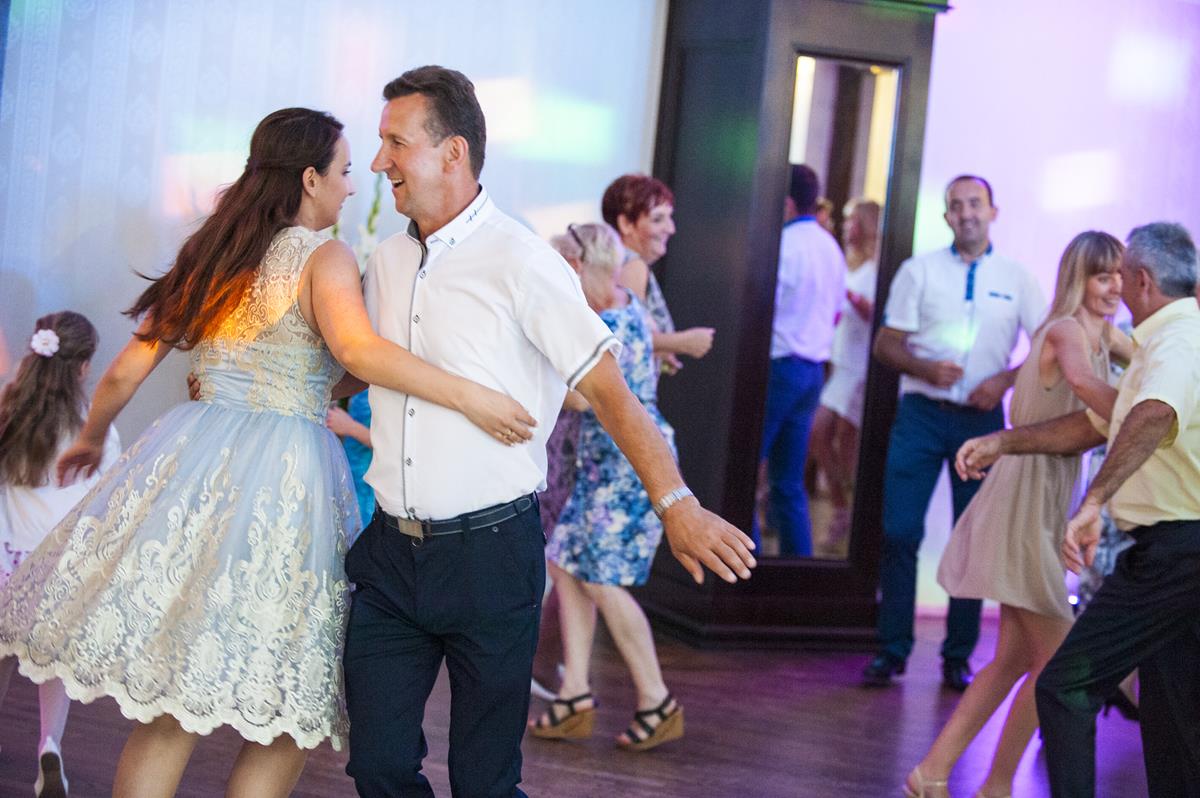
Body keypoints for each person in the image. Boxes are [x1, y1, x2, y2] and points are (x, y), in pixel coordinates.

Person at [0, 107, 536, 798]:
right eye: (345, 171)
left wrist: (92, 435)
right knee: (287, 714)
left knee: (173, 700)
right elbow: (356, 352)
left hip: (194, 464)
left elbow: (127, 372)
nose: (353, 185)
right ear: (310, 179)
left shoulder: (214, 251)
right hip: (286, 483)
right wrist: (469, 394)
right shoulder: (324, 256)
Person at [345, 66, 755, 798]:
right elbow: (367, 368)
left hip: (490, 556)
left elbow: (610, 392)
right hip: (389, 558)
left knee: (484, 782)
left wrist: (678, 505)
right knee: (377, 765)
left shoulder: (523, 260)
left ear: (453, 152)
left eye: (395, 143)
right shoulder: (387, 260)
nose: (380, 162)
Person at [956, 222, 1200, 798]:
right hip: (1174, 550)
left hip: (1176, 552)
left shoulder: (1179, 338)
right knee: (1173, 709)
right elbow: (1095, 425)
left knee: (1065, 686)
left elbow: (1153, 414)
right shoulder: (1156, 341)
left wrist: (1092, 501)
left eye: (1122, 275)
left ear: (1143, 280)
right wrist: (1003, 442)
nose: (1117, 286)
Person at [903, 231, 1132, 798]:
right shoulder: (1065, 329)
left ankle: (938, 773)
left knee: (1011, 658)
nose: (1115, 287)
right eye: (1103, 276)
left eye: (1121, 276)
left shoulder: (1108, 334)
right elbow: (1083, 382)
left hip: (1048, 494)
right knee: (1056, 662)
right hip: (1026, 493)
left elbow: (1155, 357)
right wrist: (1142, 415)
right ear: (1079, 277)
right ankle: (993, 784)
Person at [863, 175, 1045, 691]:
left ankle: (957, 657)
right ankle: (892, 650)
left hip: (981, 423)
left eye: (975, 204)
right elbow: (885, 344)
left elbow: (1048, 346)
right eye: (956, 206)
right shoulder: (918, 271)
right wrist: (924, 368)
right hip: (921, 415)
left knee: (973, 537)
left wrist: (1004, 381)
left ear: (993, 211)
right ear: (946, 216)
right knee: (900, 532)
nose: (966, 213)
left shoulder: (1017, 278)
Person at [529, 223, 682, 752]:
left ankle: (657, 700)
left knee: (601, 579)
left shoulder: (605, 322)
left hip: (628, 464)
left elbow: (581, 398)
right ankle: (574, 692)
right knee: (566, 561)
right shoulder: (628, 307)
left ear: (577, 266)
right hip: (605, 462)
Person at [0, 312, 120, 798]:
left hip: (8, 562)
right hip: (58, 572)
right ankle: (49, 745)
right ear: (84, 367)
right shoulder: (95, 427)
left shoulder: (8, 410)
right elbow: (108, 501)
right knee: (51, 665)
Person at [758, 164, 847, 556]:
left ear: (787, 203)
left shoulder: (783, 246)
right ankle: (797, 567)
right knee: (790, 481)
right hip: (813, 371)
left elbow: (763, 309)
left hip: (780, 367)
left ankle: (746, 570)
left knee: (745, 474)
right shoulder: (831, 248)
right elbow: (837, 313)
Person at [809, 198, 881, 546]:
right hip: (840, 361)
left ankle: (851, 514)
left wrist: (850, 297)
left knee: (832, 435)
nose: (847, 225)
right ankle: (844, 509)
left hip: (861, 368)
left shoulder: (878, 267)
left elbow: (877, 315)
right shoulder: (846, 261)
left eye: (853, 219)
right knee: (822, 436)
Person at [603, 174, 714, 376]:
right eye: (657, 219)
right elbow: (626, 334)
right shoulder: (633, 265)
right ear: (626, 223)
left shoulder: (623, 262)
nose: (670, 229)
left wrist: (660, 351)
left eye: (669, 218)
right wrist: (683, 342)